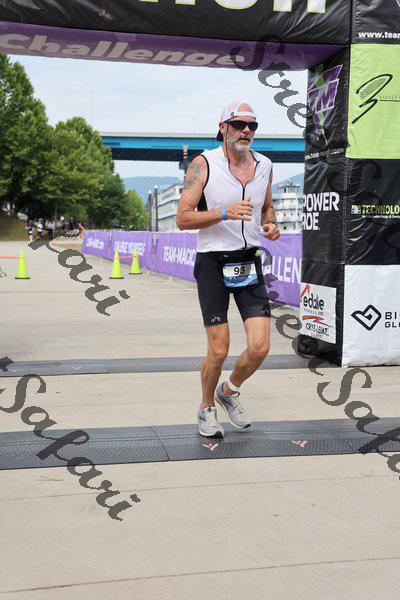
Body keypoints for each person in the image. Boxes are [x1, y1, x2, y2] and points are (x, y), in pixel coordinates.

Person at [176, 101, 280, 438]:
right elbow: (182, 218)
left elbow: (267, 207)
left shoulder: (265, 165)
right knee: (219, 349)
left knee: (260, 347)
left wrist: (270, 224)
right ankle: (206, 407)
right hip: (212, 262)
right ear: (223, 128)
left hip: (248, 260)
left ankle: (229, 391)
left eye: (252, 126)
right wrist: (224, 212)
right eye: (238, 124)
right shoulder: (202, 164)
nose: (246, 131)